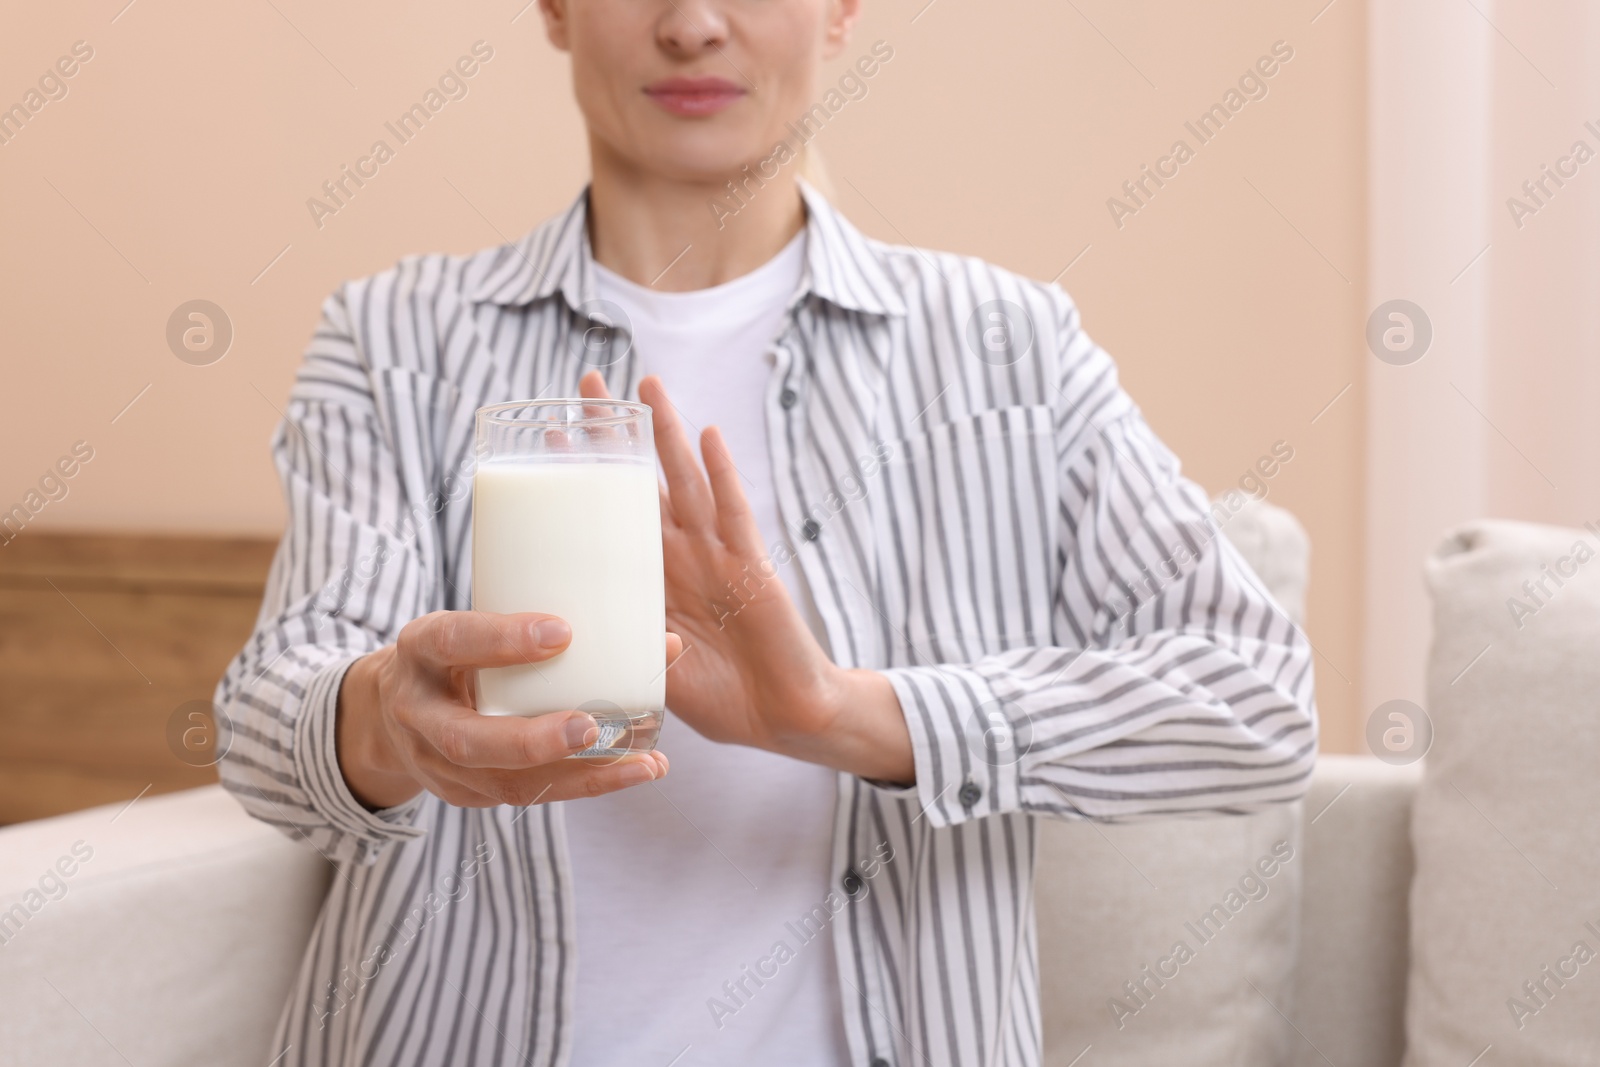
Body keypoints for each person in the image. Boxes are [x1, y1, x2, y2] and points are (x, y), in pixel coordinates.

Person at [215, 0, 1317, 1063]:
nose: (692, 22)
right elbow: (268, 720)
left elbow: (1257, 701)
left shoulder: (1007, 349)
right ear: (553, 7)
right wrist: (386, 722)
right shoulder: (393, 339)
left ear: (842, 10)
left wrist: (849, 715)